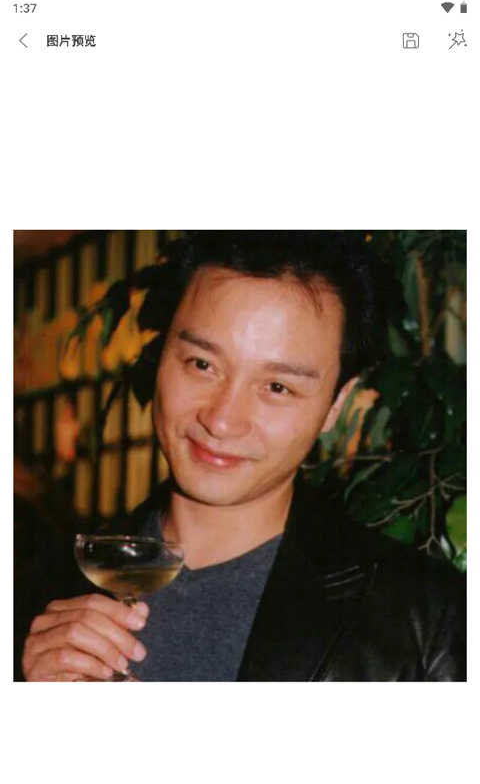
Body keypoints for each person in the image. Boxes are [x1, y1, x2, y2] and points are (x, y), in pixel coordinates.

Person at [21, 232, 465, 682]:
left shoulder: (427, 621)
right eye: (202, 364)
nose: (221, 420)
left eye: (277, 387)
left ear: (335, 405)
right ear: (159, 357)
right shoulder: (41, 590)